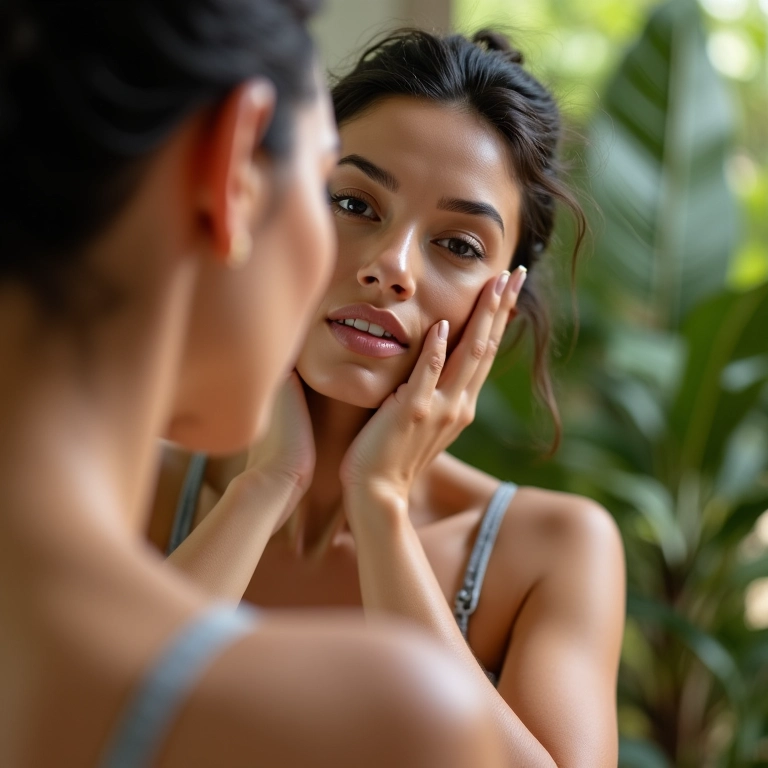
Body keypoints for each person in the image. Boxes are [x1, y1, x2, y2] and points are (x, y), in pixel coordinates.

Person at [0, 4, 504, 767]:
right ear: (230, 166)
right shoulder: (405, 718)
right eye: (337, 191)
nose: (388, 267)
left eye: (459, 244)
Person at [150, 28, 627, 768]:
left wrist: (380, 507)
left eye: (459, 245)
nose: (391, 266)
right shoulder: (133, 486)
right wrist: (262, 487)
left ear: (501, 304)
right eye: (354, 202)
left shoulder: (551, 550)